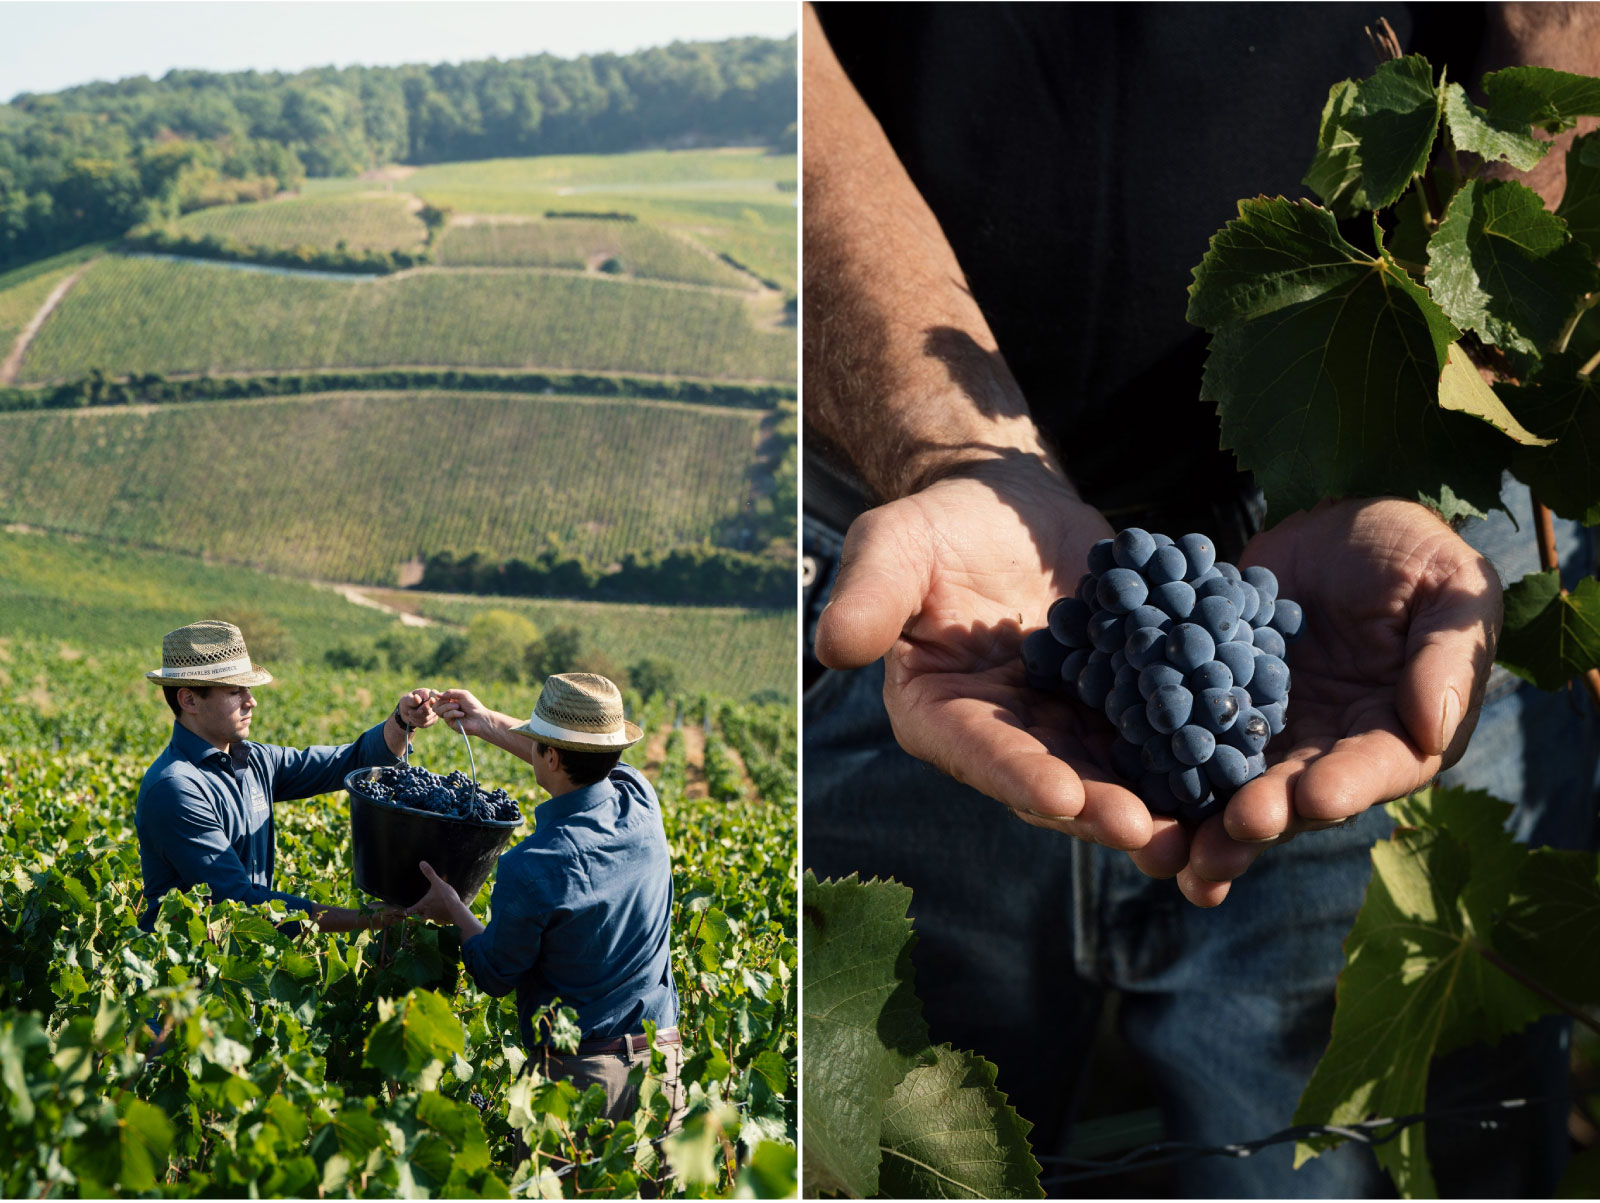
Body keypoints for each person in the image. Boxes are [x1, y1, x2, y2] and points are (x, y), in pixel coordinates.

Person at [802, 3, 1600, 1196]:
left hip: (1391, 561)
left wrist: (1426, 415)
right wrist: (939, 446)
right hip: (901, 538)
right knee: (891, 1157)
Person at [409, 673, 685, 1128]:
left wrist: (453, 910)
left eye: (540, 743)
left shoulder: (534, 864)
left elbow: (496, 973)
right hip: (665, 1073)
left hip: (580, 1084)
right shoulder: (641, 800)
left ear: (551, 755)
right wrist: (486, 722)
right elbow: (578, 764)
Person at [136, 619, 438, 933]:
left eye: (248, 689)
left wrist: (403, 721)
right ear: (189, 700)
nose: (250, 701)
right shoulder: (176, 788)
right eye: (234, 691)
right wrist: (365, 919)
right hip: (189, 973)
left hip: (245, 959)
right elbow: (238, 902)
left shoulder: (255, 760)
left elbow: (349, 761)